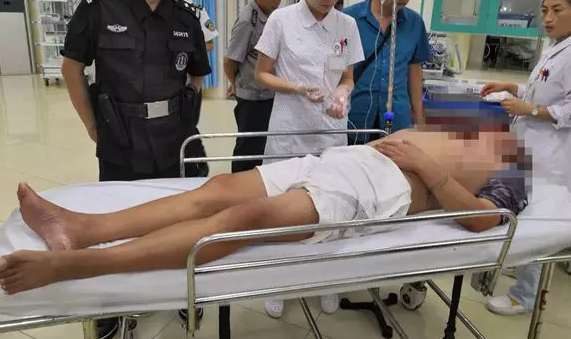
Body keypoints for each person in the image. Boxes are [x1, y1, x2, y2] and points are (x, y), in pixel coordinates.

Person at [0, 125, 526, 296]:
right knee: (216, 189)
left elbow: (488, 220)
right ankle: (83, 228)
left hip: (375, 187)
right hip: (346, 160)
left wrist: (425, 166)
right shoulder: (475, 125)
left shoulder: (515, 168)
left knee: (242, 221)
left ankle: (76, 264)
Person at [59, 0, 210, 336]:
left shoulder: (186, 16)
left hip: (174, 139)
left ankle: (179, 293)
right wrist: (92, 124)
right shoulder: (99, 8)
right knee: (116, 224)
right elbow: (72, 67)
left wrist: (185, 115)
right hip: (121, 137)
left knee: (176, 223)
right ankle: (113, 305)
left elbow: (197, 74)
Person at [253, 0, 365, 316]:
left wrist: (343, 95)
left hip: (331, 129)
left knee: (332, 205)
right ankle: (277, 283)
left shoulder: (346, 24)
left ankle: (325, 281)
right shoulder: (282, 20)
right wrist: (298, 88)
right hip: (289, 127)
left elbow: (347, 77)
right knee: (282, 206)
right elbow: (262, 74)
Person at [481, 0, 571, 316]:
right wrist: (512, 88)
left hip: (551, 154)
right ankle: (521, 267)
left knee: (537, 221)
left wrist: (528, 109)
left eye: (557, 10)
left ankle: (526, 294)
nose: (548, 18)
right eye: (545, 10)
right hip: (530, 146)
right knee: (523, 211)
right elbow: (543, 92)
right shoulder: (555, 48)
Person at [343, 0, 430, 143]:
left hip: (397, 121)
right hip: (354, 118)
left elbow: (414, 70)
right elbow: (334, 67)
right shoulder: (349, 19)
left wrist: (419, 117)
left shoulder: (414, 23)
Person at [223, 0, 290, 173]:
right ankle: (239, 183)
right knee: (248, 147)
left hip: (268, 94)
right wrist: (236, 84)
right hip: (253, 97)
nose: (277, 0)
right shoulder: (248, 21)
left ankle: (257, 181)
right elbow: (230, 60)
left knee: (262, 144)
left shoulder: (272, 17)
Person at [173, 0, 219, 177]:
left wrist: (185, 49)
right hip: (163, 83)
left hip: (190, 82)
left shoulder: (195, 12)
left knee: (188, 124)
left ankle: (198, 164)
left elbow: (209, 44)